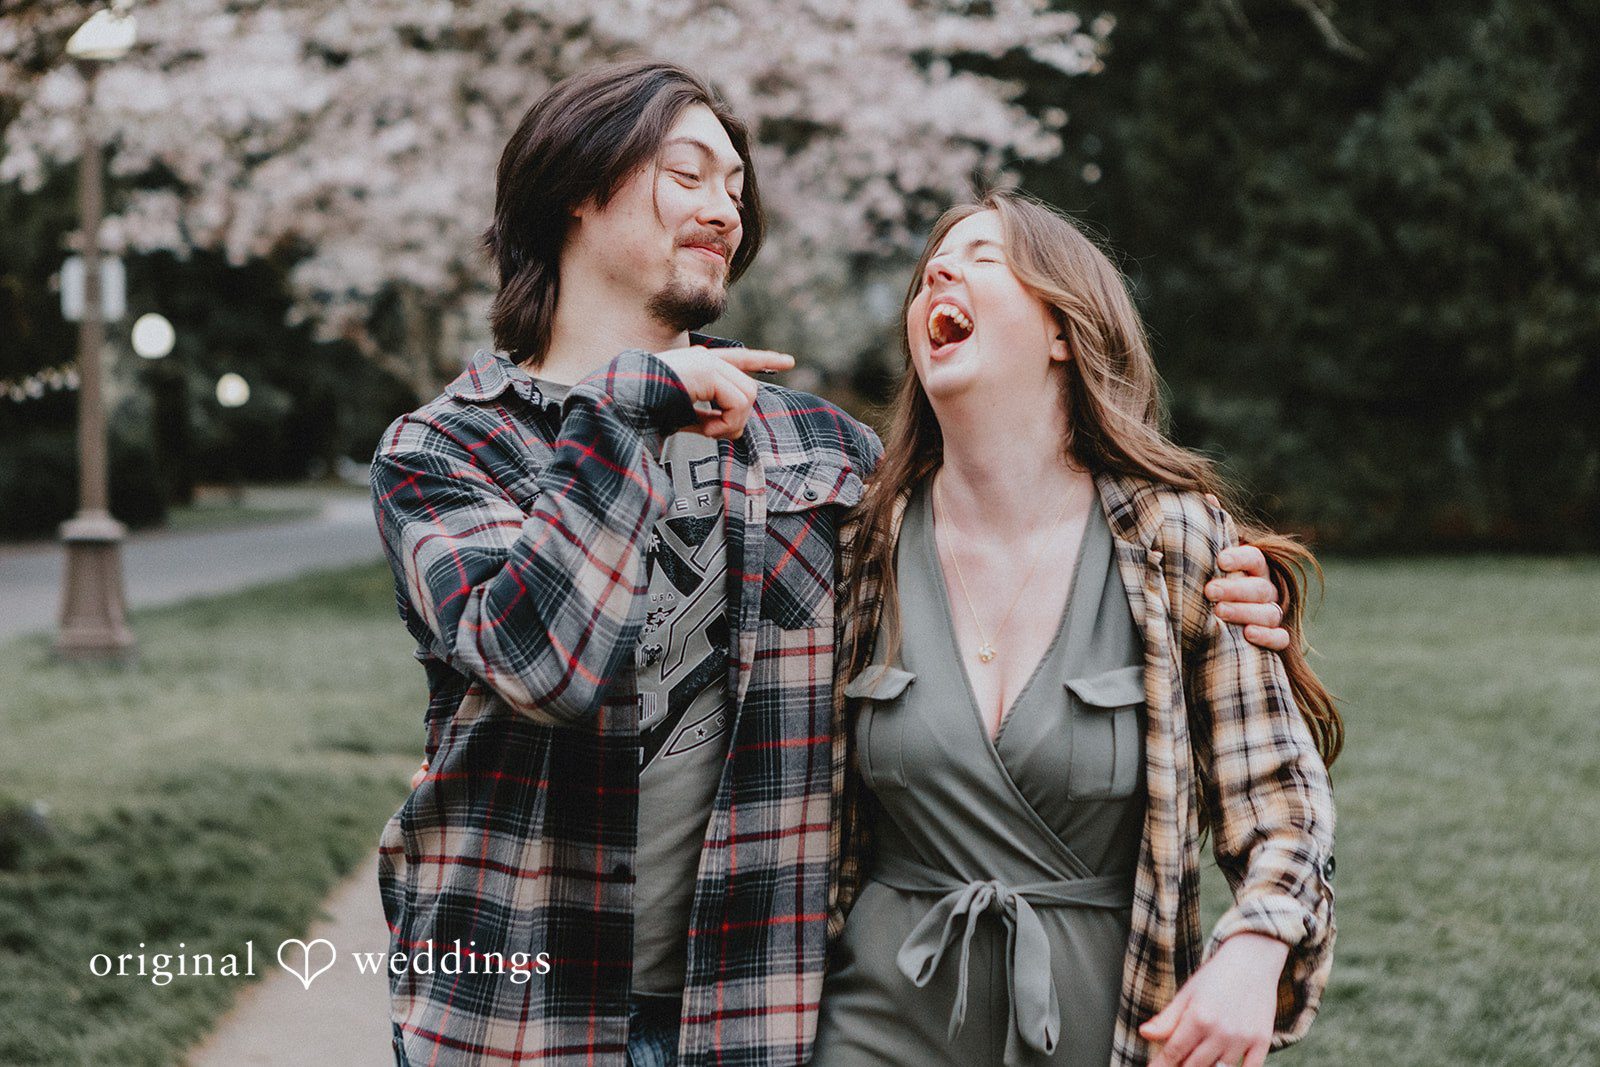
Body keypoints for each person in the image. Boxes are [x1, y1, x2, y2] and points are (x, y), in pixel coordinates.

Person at [370, 61, 1292, 1067]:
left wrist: (1222, 593)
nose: (725, 208)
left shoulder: (816, 452)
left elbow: (992, 553)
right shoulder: (447, 451)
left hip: (745, 1019)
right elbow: (541, 664)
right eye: (687, 174)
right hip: (510, 1016)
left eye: (735, 185)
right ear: (576, 190)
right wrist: (626, 405)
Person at [812, 191, 1342, 1067]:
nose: (938, 272)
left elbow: (1281, 801)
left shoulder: (1176, 542)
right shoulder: (858, 546)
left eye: (982, 258)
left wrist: (1258, 945)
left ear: (1065, 328)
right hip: (873, 1030)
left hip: (1105, 1028)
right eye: (931, 267)